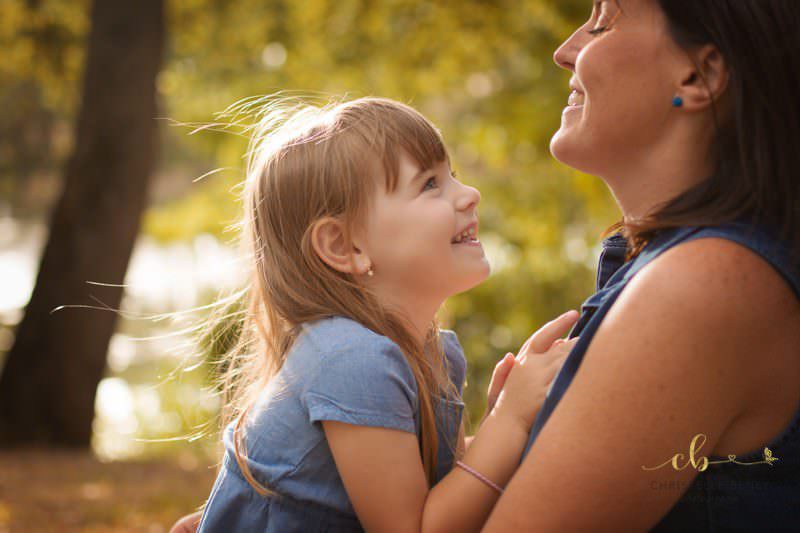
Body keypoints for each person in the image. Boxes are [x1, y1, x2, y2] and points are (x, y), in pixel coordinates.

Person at [176, 97, 579, 532]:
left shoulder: (431, 351)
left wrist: (504, 423)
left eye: (453, 176)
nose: (469, 195)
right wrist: (509, 421)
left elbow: (430, 489)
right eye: (429, 184)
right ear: (344, 246)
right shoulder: (352, 360)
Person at [482, 0, 800, 530]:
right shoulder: (694, 267)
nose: (565, 52)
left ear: (699, 75)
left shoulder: (703, 285)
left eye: (604, 22)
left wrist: (506, 435)